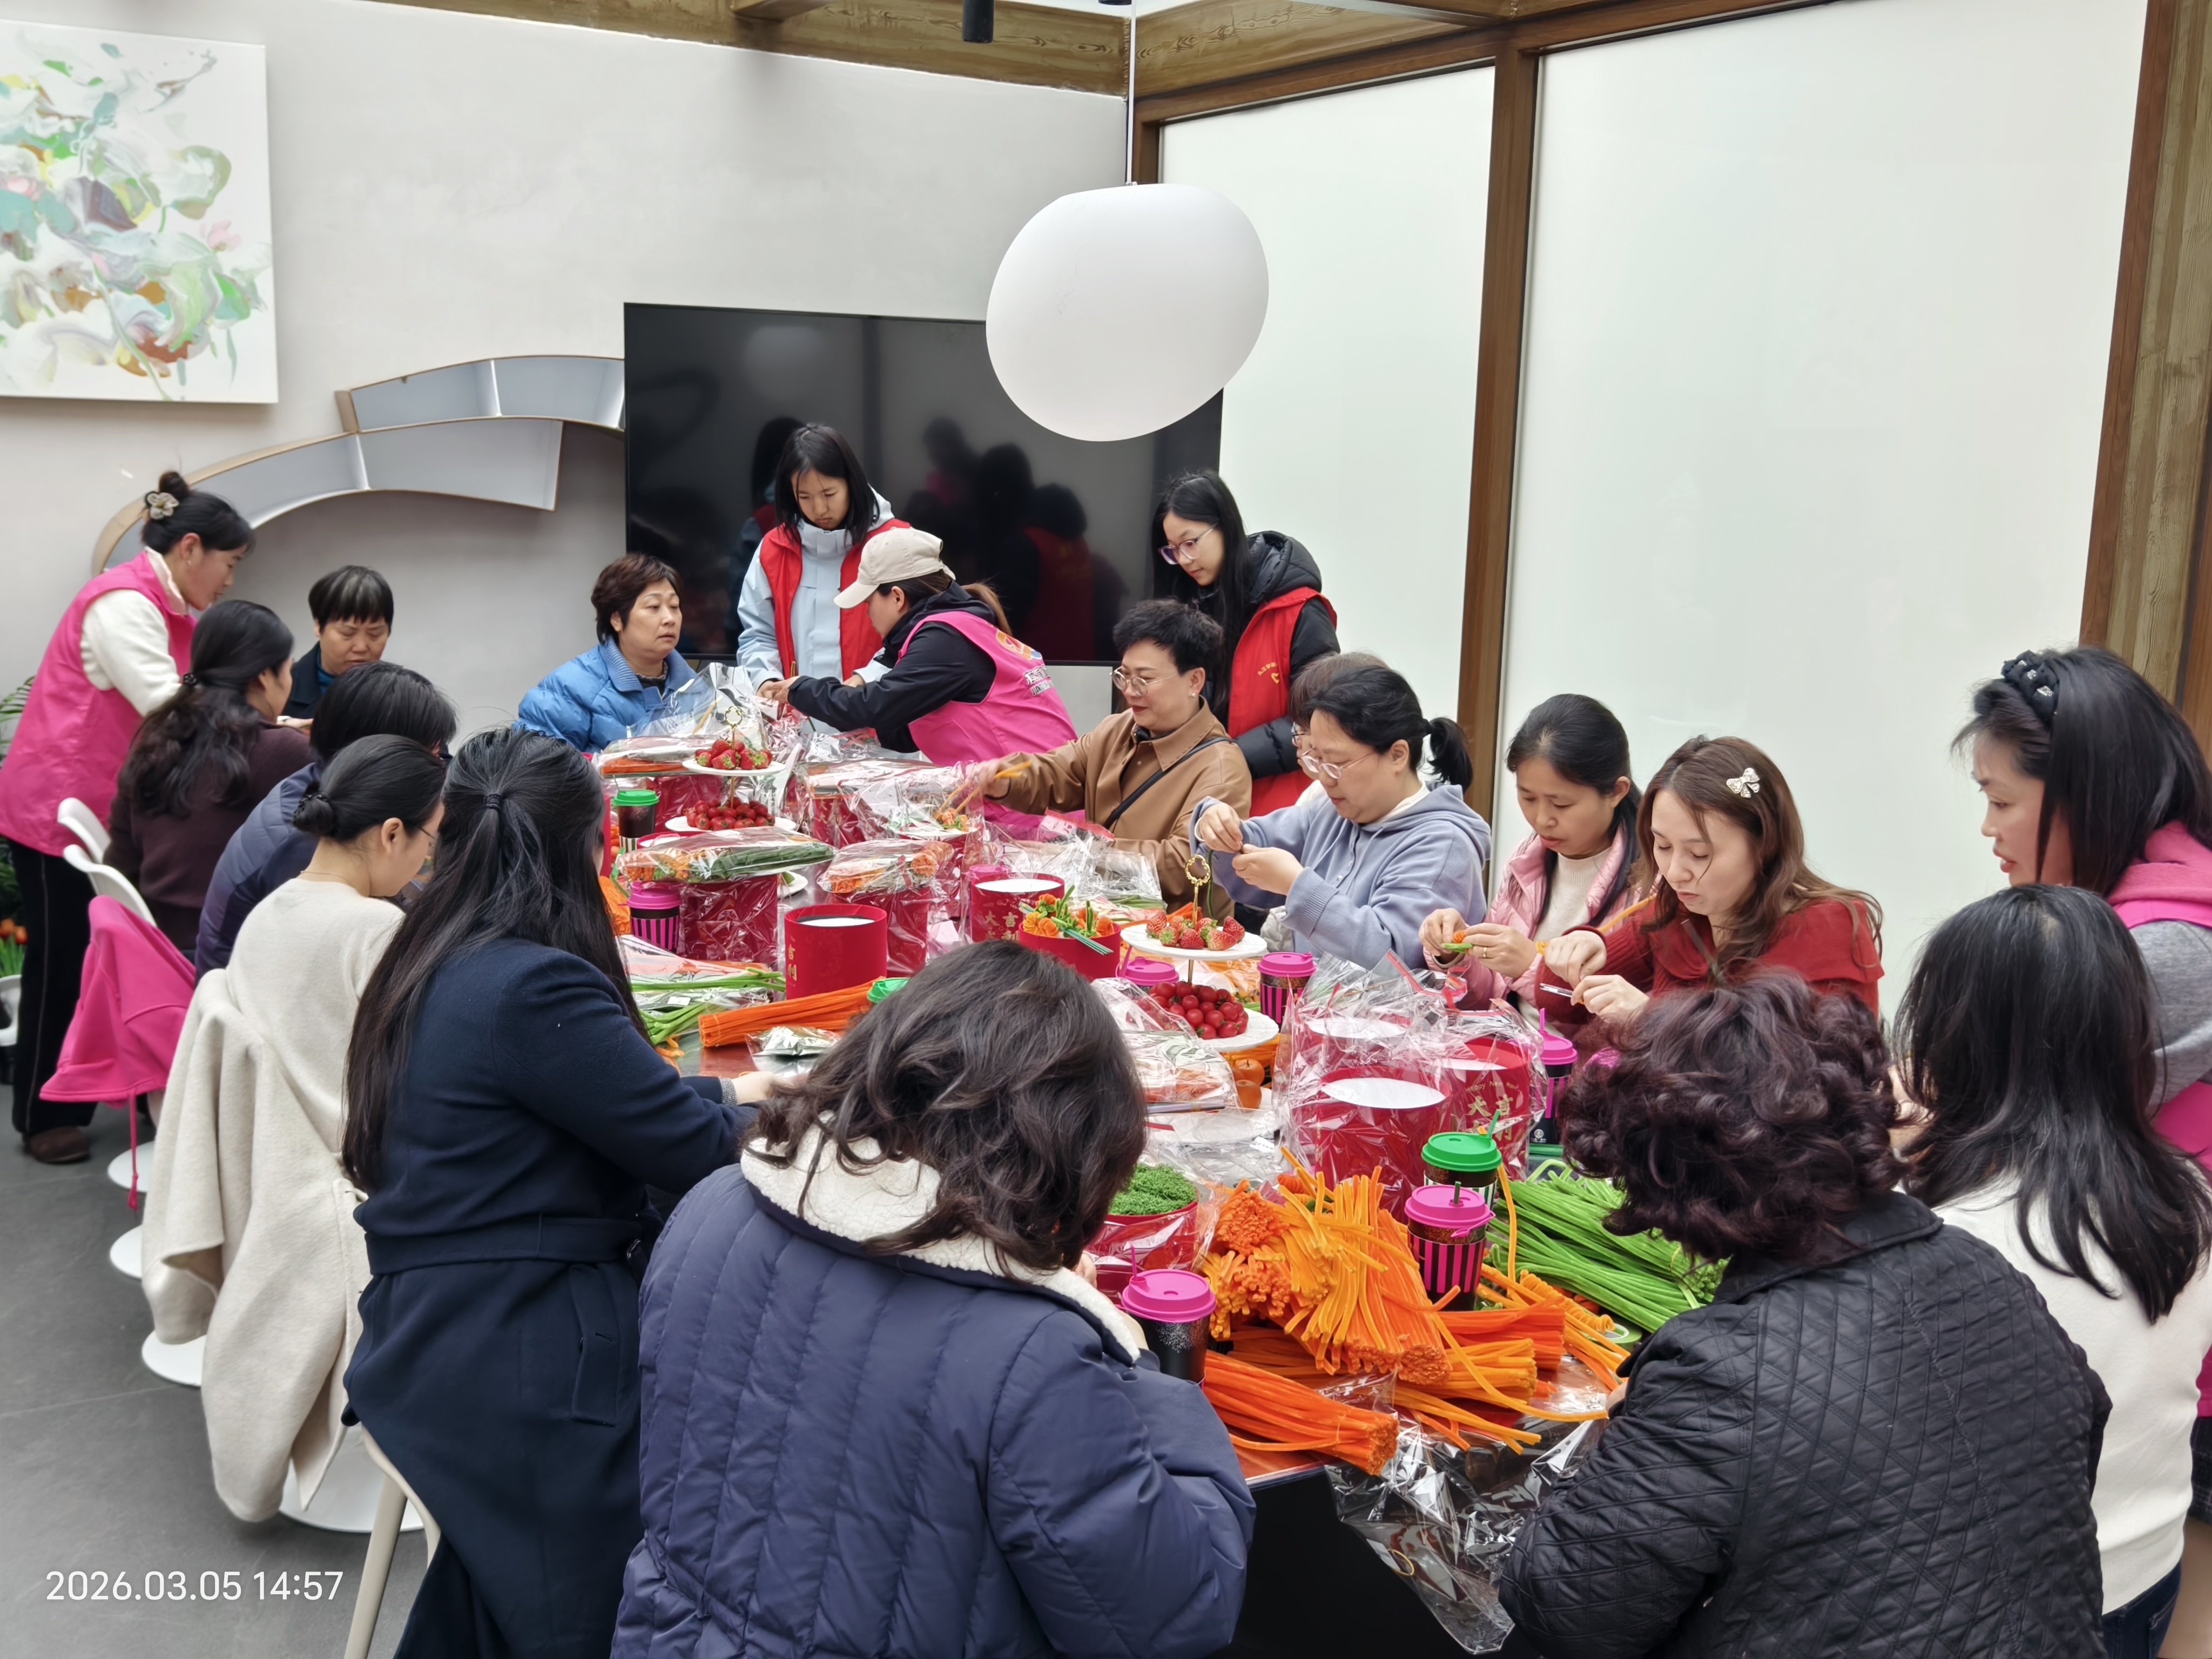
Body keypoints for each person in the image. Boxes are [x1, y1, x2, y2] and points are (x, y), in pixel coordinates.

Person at [611, 942, 1252, 1659]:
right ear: (1065, 1150)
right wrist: (1135, 1362)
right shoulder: (1032, 1356)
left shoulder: (711, 1208)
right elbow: (1175, 1612)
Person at [1499, 976, 2109, 1657]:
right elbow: (2079, 1426)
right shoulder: (1981, 1265)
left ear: (1672, 1187)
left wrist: (1618, 1448)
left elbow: (1568, 1609)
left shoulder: (1721, 1373)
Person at [341, 727, 758, 1659]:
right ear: (591, 850)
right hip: (505, 1344)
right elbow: (694, 1151)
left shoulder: (437, 949)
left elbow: (618, 1101)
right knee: (754, 1425)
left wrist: (738, 1097)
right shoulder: (531, 986)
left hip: (433, 1318)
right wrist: (836, 1115)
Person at [1961, 645, 2212, 1651]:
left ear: (2084, 795)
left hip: (2177, 1347)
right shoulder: (2143, 909)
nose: (1987, 830)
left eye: (2001, 801)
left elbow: (2003, 1116)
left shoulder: (2161, 950)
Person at [1898, 885, 2212, 1657]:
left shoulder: (1951, 1232)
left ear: (1953, 1038)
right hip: (2146, 1564)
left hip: (2019, 1598)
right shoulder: (2189, 1193)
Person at [146, 734, 446, 1520]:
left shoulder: (273, 909)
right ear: (391, 833)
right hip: (357, 1184)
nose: (427, 861)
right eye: (430, 839)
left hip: (281, 1171)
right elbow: (425, 1090)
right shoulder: (372, 930)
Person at [0, 472, 251, 1163]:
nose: (230, 581)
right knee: (61, 960)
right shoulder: (124, 604)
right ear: (191, 548)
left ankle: (110, 1086)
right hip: (57, 804)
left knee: (105, 957)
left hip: (103, 803)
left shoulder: (168, 607)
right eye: (229, 564)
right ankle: (42, 1114)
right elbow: (168, 706)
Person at [1540, 735, 1881, 1022]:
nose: (1674, 873)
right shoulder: (1676, 914)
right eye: (1663, 846)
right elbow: (1555, 1000)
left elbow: (1817, 1071)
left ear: (1765, 844)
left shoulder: (1828, 929)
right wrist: (1582, 950)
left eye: (1699, 854)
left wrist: (1653, 1019)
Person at [1192, 661, 1487, 968]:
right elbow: (1254, 842)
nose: (1324, 778)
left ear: (1398, 755)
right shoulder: (1332, 810)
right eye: (1317, 760)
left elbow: (1395, 962)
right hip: (1312, 998)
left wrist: (1296, 887)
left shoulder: (1443, 844)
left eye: (1336, 764)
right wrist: (1216, 825)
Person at [195, 662, 457, 976]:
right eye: (431, 755)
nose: (439, 767)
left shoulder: (327, 788)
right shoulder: (307, 847)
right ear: (380, 753)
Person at [987, 601, 1251, 906]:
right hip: (1100, 914)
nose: (1129, 691)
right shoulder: (1118, 728)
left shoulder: (1221, 769)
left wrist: (1084, 856)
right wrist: (1003, 779)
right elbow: (1059, 772)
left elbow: (1185, 863)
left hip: (1167, 930)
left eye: (1145, 680)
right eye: (1124, 676)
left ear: (1194, 681)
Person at [765, 528, 1078, 766]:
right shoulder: (962, 626)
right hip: (1034, 795)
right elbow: (917, 725)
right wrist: (870, 733)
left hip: (1034, 808)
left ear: (897, 597)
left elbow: (871, 705)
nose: (867, 612)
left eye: (869, 601)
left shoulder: (944, 639)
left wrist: (800, 689)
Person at [107, 603, 311, 957]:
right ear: (265, 677)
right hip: (238, 957)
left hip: (158, 951)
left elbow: (121, 863)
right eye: (288, 670)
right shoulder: (286, 752)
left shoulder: (154, 742)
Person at [1419, 693, 1642, 1008]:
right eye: (1528, 798)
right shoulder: (1527, 860)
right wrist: (1456, 955)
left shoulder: (1650, 885)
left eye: (1561, 804)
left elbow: (1633, 1016)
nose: (1541, 819)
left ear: (1617, 792)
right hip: (1508, 1037)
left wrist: (1530, 966)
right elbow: (1492, 993)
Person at [1155, 470, 1339, 814]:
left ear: (1225, 526)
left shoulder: (1300, 610)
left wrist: (1230, 758)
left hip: (1284, 809)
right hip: (1209, 799)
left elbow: (1319, 718)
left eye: (1190, 543)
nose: (1183, 559)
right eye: (1173, 550)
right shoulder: (1194, 608)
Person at [734, 424, 910, 686]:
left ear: (851, 483)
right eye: (804, 497)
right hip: (794, 711)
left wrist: (867, 680)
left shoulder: (899, 543)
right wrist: (766, 679)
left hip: (878, 708)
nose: (819, 509)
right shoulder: (774, 550)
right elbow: (757, 635)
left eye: (829, 494)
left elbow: (920, 635)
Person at [516, 554, 699, 752]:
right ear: (617, 619)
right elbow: (536, 766)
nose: (670, 619)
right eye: (654, 607)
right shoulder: (569, 690)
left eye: (674, 607)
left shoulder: (698, 687)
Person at [282, 565, 393, 721]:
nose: (361, 647)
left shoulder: (401, 695)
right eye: (347, 633)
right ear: (319, 626)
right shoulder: (280, 688)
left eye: (374, 634)